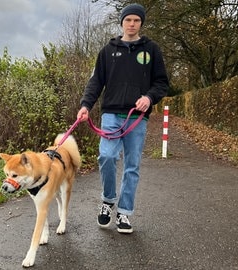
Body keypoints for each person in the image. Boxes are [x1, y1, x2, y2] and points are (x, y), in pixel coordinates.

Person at [76, 3, 169, 234]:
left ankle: (124, 213)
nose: (132, 24)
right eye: (128, 20)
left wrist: (149, 98)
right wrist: (86, 105)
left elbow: (162, 83)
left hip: (137, 119)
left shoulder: (152, 50)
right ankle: (108, 200)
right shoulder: (108, 51)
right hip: (111, 114)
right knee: (106, 156)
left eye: (136, 20)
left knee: (132, 166)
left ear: (141, 24)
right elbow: (96, 81)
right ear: (121, 22)